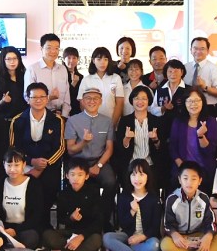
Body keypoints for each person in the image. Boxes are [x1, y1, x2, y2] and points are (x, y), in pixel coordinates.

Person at [9, 82, 66, 228]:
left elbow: (60, 147)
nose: (38, 100)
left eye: (42, 97)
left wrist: (43, 165)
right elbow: (13, 148)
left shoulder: (57, 120)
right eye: (34, 97)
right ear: (27, 99)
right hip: (25, 164)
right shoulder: (17, 120)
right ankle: (26, 226)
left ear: (47, 99)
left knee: (49, 189)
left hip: (49, 165)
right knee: (26, 194)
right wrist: (30, 161)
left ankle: (45, 226)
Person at [161, 162, 217, 251]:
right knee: (165, 245)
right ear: (179, 180)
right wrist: (175, 235)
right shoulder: (172, 199)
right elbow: (167, 224)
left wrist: (208, 237)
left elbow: (211, 221)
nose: (189, 182)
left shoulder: (203, 198)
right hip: (182, 238)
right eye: (185, 178)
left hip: (199, 237)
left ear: (199, 181)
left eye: (193, 179)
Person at [66, 86, 116, 230]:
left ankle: (104, 220)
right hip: (78, 161)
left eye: (95, 98)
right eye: (88, 98)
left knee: (111, 182)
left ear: (100, 101)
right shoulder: (72, 120)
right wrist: (84, 142)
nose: (92, 101)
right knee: (77, 184)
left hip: (100, 161)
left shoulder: (107, 121)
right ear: (82, 101)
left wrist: (98, 165)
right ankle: (77, 221)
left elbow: (109, 149)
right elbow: (70, 149)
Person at [102, 159, 162, 251]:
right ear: (129, 177)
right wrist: (132, 211)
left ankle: (120, 250)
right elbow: (123, 224)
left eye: (141, 174)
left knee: (155, 246)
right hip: (128, 236)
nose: (137, 179)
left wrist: (142, 237)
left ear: (148, 176)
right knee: (107, 238)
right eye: (133, 174)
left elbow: (155, 226)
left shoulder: (154, 199)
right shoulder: (124, 197)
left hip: (146, 238)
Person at [41, 161, 104, 251]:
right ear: (67, 176)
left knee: (96, 240)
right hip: (69, 232)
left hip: (87, 233)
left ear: (86, 176)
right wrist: (71, 218)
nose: (76, 178)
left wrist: (81, 237)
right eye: (72, 174)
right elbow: (60, 219)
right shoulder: (63, 194)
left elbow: (99, 221)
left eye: (80, 175)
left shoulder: (93, 193)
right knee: (47, 235)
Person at [168, 87, 217, 194]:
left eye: (197, 101)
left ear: (203, 102)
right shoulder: (178, 121)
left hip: (204, 170)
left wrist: (201, 136)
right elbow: (172, 147)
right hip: (182, 169)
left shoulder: (211, 121)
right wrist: (182, 167)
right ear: (184, 103)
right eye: (190, 101)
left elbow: (210, 151)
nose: (193, 104)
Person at [0, 149, 45, 250]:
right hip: (4, 229)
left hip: (25, 228)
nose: (12, 169)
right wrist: (3, 229)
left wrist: (16, 230)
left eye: (16, 165)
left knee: (31, 238)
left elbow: (37, 215)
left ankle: (7, 246)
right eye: (9, 165)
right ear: (4, 165)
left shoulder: (33, 184)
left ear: (24, 165)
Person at [115, 86, 163, 183]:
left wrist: (155, 139)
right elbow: (120, 148)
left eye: (144, 98)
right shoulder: (124, 121)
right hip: (130, 165)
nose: (140, 102)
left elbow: (161, 148)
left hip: (151, 165)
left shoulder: (156, 121)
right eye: (136, 98)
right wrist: (127, 139)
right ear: (132, 101)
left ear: (149, 101)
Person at [24, 33, 70, 117]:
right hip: (41, 116)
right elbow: (28, 97)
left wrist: (64, 117)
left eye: (56, 48)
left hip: (61, 115)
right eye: (49, 48)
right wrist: (48, 98)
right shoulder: (33, 69)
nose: (53, 51)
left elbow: (67, 98)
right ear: (41, 48)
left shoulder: (63, 69)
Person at [77, 47, 124, 126]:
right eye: (99, 59)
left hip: (112, 122)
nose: (102, 62)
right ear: (93, 61)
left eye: (105, 59)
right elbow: (82, 104)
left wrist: (112, 124)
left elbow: (119, 103)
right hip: (92, 124)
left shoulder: (116, 78)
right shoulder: (86, 80)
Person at [185, 37, 217, 116]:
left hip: (208, 108)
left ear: (207, 51)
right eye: (195, 48)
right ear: (191, 50)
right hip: (188, 107)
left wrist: (205, 87)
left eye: (202, 49)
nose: (198, 51)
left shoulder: (214, 68)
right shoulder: (185, 68)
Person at [0, 46, 27, 122]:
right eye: (8, 59)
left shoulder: (26, 77)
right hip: (6, 122)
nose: (12, 62)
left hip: (24, 120)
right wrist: (3, 101)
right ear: (3, 60)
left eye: (15, 58)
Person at [63, 46, 83, 116]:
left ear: (78, 59)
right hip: (63, 112)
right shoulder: (60, 75)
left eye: (74, 58)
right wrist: (73, 84)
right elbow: (63, 96)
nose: (71, 60)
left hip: (77, 112)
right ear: (63, 59)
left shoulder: (80, 77)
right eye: (69, 58)